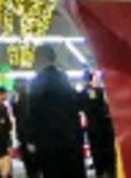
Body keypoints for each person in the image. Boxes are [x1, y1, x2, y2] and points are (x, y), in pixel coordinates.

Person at [26, 45, 85, 178]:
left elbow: (33, 112)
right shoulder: (64, 79)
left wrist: (30, 138)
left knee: (52, 171)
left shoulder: (38, 81)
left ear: (41, 58)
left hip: (48, 140)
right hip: (68, 138)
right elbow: (74, 107)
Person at [79, 71, 116, 177]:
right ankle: (106, 172)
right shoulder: (94, 91)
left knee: (103, 152)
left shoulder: (96, 91)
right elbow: (97, 107)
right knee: (103, 152)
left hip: (100, 129)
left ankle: (105, 171)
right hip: (100, 129)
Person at [11, 81, 37, 178]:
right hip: (23, 133)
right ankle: (31, 172)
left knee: (30, 156)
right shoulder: (17, 98)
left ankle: (33, 172)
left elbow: (26, 117)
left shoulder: (26, 98)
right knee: (27, 155)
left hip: (27, 133)